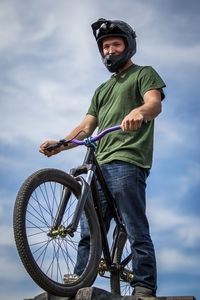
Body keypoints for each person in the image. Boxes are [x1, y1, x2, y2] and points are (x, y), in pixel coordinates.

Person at [40, 18, 166, 298]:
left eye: (115, 44)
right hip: (101, 160)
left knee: (135, 226)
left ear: (128, 46)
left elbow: (153, 102)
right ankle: (77, 284)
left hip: (128, 160)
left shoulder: (143, 73)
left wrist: (139, 113)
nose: (109, 50)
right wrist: (61, 144)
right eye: (105, 46)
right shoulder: (101, 90)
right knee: (89, 229)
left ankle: (143, 286)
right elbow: (86, 127)